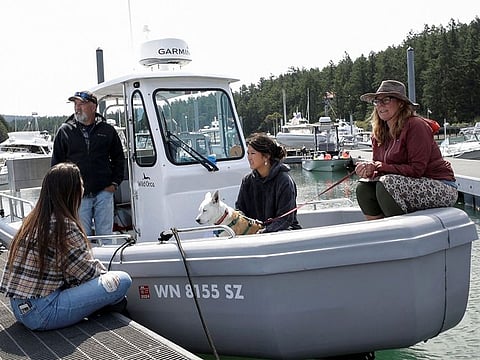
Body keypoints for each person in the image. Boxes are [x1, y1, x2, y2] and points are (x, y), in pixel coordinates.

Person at [0, 163, 132, 331]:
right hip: (42, 313)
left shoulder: (34, 220)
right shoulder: (64, 225)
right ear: (73, 191)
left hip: (20, 311)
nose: (83, 189)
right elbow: (88, 274)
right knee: (121, 280)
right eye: (81, 185)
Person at [355, 80, 458, 220]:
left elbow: (417, 170)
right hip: (406, 184)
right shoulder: (378, 134)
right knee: (364, 187)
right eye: (377, 101)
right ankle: (380, 235)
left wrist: (381, 166)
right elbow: (380, 167)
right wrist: (369, 170)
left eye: (386, 100)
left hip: (441, 185)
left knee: (387, 184)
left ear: (401, 103)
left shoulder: (416, 126)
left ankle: (400, 234)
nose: (380, 105)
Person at [51, 91, 125, 235]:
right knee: (82, 236)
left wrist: (115, 183)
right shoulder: (65, 131)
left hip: (104, 192)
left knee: (106, 236)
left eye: (81, 104)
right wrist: (62, 193)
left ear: (93, 106)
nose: (77, 108)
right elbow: (56, 165)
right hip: (78, 195)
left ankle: (107, 257)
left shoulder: (107, 130)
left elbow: (119, 158)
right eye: (75, 104)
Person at [235, 133, 302, 232]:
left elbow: (286, 219)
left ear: (266, 156)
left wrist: (265, 231)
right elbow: (240, 210)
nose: (249, 157)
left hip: (284, 234)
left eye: (252, 153)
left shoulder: (284, 181)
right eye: (248, 153)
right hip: (256, 234)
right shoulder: (247, 181)